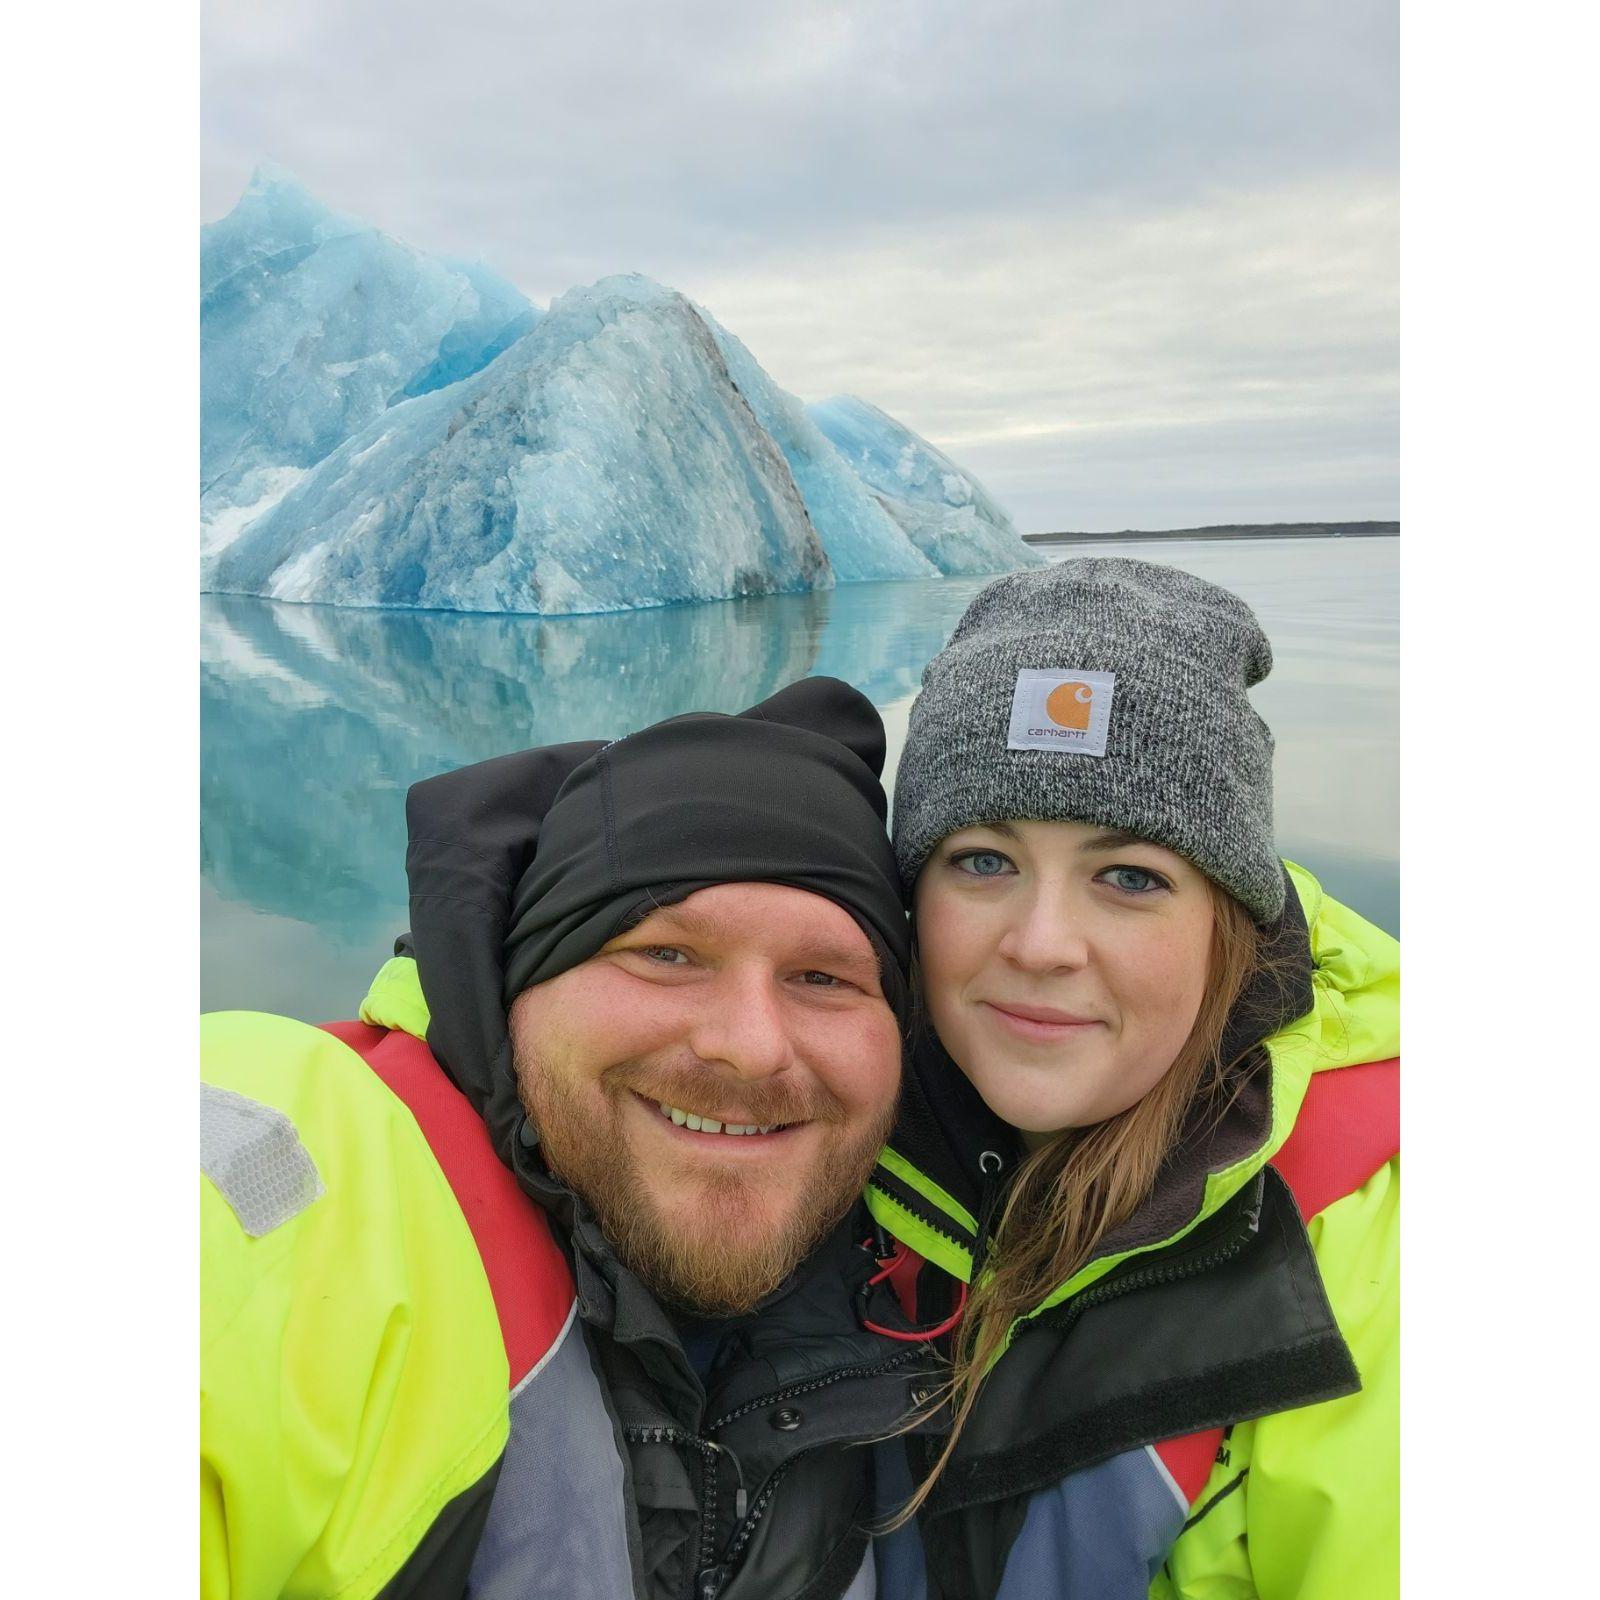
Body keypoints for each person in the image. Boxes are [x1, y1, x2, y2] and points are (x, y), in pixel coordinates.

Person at [201, 678, 942, 1600]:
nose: (751, 1047)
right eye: (666, 955)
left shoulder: (956, 1280)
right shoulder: (288, 1175)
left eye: (825, 977)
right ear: (518, 982)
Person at [866, 559, 1399, 1599]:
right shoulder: (819, 1129)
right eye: (982, 859)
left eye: (1129, 877)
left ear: (1228, 924)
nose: (1042, 941)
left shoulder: (1372, 1253)